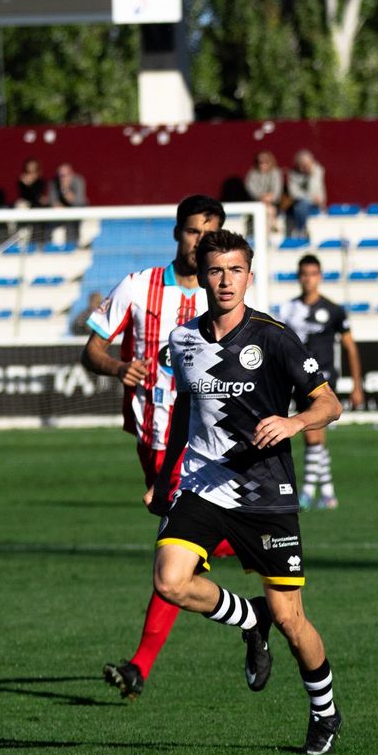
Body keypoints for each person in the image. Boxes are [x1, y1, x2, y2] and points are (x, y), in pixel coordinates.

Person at [149, 228, 345, 754]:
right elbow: (186, 411)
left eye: (235, 270)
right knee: (170, 581)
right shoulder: (183, 340)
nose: (226, 280)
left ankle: (324, 711)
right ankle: (247, 616)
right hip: (202, 484)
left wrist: (295, 421)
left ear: (249, 276)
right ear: (202, 276)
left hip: (265, 492)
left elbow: (330, 404)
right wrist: (164, 477)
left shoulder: (274, 337)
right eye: (216, 270)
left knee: (291, 619)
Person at [84, 195, 229, 700]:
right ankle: (254, 607)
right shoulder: (138, 286)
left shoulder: (226, 296)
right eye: (192, 233)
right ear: (176, 233)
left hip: (205, 446)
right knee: (194, 550)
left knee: (176, 550)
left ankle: (140, 665)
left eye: (209, 235)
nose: (199, 243)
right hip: (153, 439)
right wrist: (118, 367)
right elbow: (93, 349)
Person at [275, 254, 365, 510]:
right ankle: (327, 492)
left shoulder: (334, 310)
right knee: (314, 437)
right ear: (299, 276)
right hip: (297, 379)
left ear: (320, 277)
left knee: (313, 436)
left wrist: (357, 385)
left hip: (323, 380)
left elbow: (350, 348)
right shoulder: (288, 310)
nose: (308, 280)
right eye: (304, 274)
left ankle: (306, 492)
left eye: (313, 274)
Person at [285, 149, 326, 238]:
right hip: (301, 204)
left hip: (316, 204)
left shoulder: (317, 171)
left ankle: (302, 230)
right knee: (300, 205)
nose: (306, 167)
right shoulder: (293, 174)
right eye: (303, 164)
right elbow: (294, 193)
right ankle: (302, 230)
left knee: (301, 206)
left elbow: (315, 190)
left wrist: (311, 175)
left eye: (308, 164)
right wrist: (310, 198)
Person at [245, 151, 285, 235]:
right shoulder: (252, 174)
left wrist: (269, 197)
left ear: (270, 162)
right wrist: (261, 197)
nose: (263, 164)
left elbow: (277, 191)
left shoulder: (276, 173)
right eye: (260, 162)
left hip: (274, 203)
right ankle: (273, 227)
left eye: (265, 162)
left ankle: (265, 235)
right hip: (257, 203)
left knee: (268, 209)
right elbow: (251, 189)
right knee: (268, 210)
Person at [50, 161, 88, 247]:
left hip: (77, 212)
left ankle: (72, 247)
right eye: (60, 175)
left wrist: (65, 189)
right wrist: (60, 208)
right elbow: (53, 201)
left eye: (65, 175)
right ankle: (44, 247)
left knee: (71, 222)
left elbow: (78, 202)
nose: (62, 178)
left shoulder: (78, 181)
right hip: (60, 213)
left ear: (71, 174)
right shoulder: (54, 182)